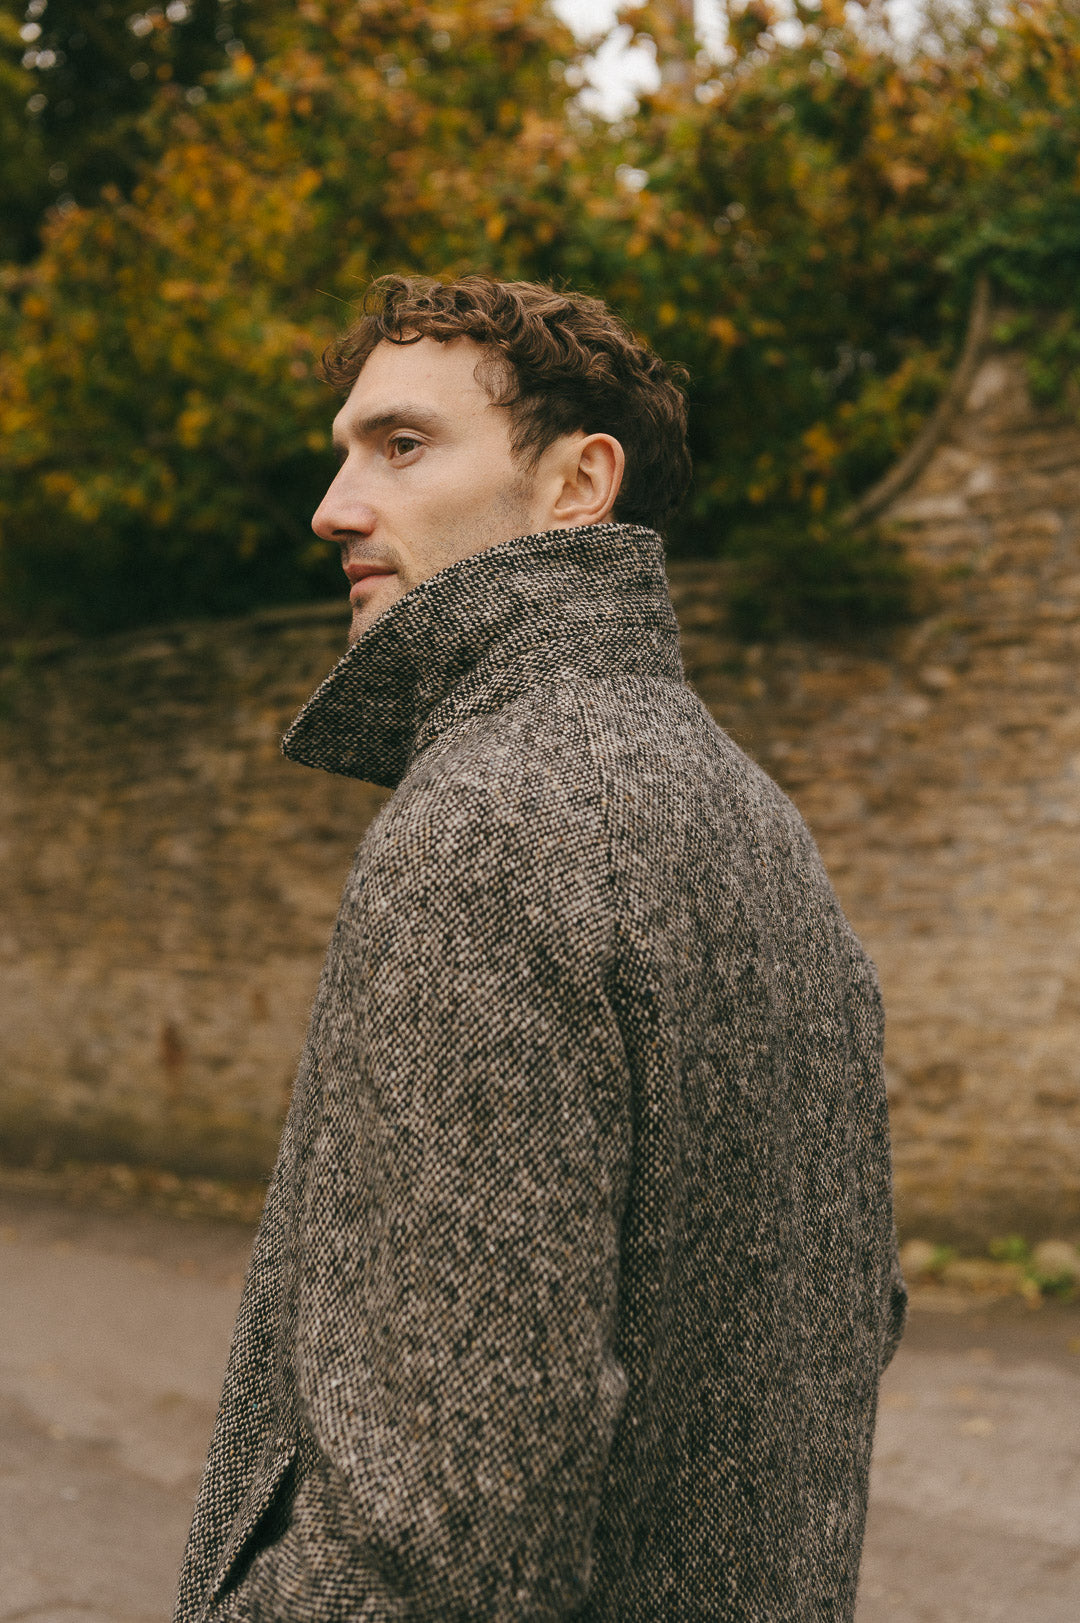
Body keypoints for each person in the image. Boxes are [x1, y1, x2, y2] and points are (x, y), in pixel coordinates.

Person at [174, 274, 906, 1623]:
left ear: (579, 484)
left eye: (400, 445)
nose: (333, 507)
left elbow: (440, 1526)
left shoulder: (488, 824)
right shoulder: (756, 820)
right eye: (344, 454)